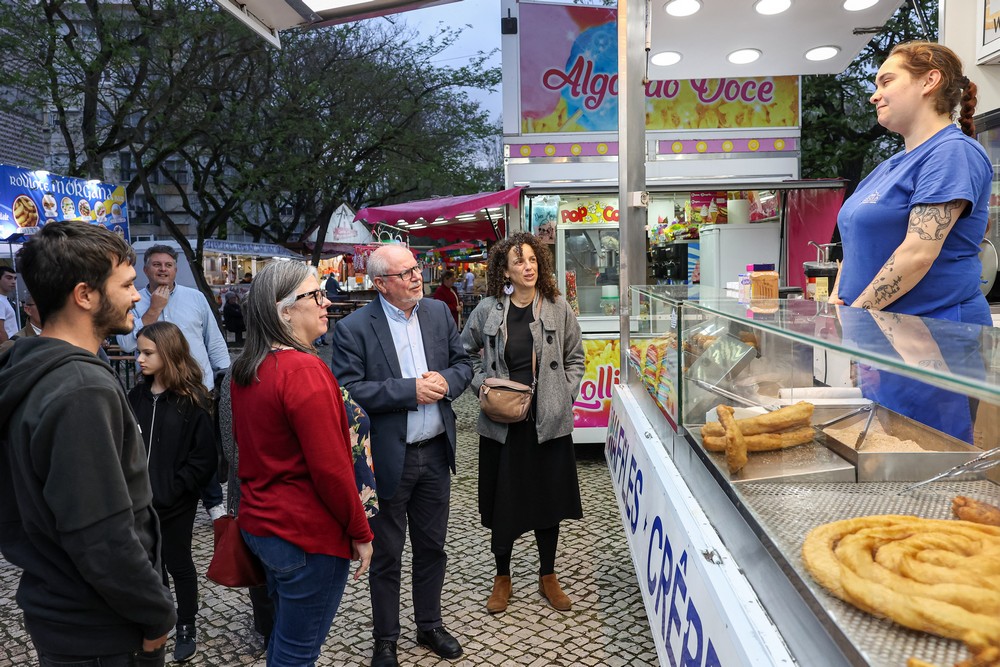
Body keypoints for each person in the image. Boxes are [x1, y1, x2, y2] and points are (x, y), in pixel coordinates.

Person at [0, 221, 176, 665]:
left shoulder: (33, 367)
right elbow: (101, 535)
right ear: (85, 295)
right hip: (103, 630)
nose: (138, 295)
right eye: (128, 284)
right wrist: (156, 616)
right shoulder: (80, 389)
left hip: (70, 615)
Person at [831, 41, 992, 441]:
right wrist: (837, 302)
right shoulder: (890, 165)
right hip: (882, 336)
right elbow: (853, 243)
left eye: (887, 80)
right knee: (890, 448)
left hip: (931, 339)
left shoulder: (952, 153)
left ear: (929, 81)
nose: (874, 94)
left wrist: (855, 317)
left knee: (924, 457)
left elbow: (917, 253)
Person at [331, 245, 472, 667]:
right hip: (390, 458)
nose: (417, 277)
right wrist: (409, 391)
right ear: (380, 284)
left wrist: (445, 382)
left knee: (433, 547)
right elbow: (348, 391)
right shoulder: (355, 328)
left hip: (435, 454)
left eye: (416, 269)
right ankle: (386, 639)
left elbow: (464, 365)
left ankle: (429, 625)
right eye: (405, 272)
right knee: (387, 553)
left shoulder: (437, 313)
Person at [230, 261, 373, 666]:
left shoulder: (249, 368)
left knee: (284, 641)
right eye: (314, 295)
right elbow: (331, 469)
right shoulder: (305, 371)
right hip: (305, 534)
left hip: (263, 524)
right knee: (296, 653)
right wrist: (360, 532)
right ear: (285, 310)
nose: (326, 301)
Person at [460, 232, 585, 615]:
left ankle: (548, 575)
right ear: (505, 269)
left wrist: (563, 393)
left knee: (549, 499)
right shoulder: (488, 310)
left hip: (547, 423)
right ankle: (503, 576)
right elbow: (464, 356)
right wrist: (482, 386)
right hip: (503, 425)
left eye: (532, 260)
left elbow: (576, 359)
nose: (527, 267)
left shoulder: (558, 308)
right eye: (519, 262)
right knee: (505, 502)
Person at [117, 244, 230, 520]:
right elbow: (126, 342)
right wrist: (154, 309)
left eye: (168, 265)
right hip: (157, 390)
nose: (163, 269)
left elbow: (212, 339)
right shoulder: (132, 301)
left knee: (202, 445)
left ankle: (215, 504)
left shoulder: (196, 298)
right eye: (157, 265)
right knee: (164, 445)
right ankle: (163, 498)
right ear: (145, 270)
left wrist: (225, 374)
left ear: (176, 269)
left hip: (198, 386)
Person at [128, 322, 217, 662]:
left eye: (147, 353)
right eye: (139, 351)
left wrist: (174, 490)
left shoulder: (191, 401)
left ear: (167, 353)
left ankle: (186, 625)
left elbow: (204, 458)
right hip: (139, 501)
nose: (139, 359)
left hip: (175, 503)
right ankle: (160, 621)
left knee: (178, 563)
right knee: (151, 566)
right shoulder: (135, 397)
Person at [0, 265, 18, 343]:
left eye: (15, 278)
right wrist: (8, 351)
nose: (13, 281)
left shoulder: (4, 300)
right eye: (9, 278)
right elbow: (1, 331)